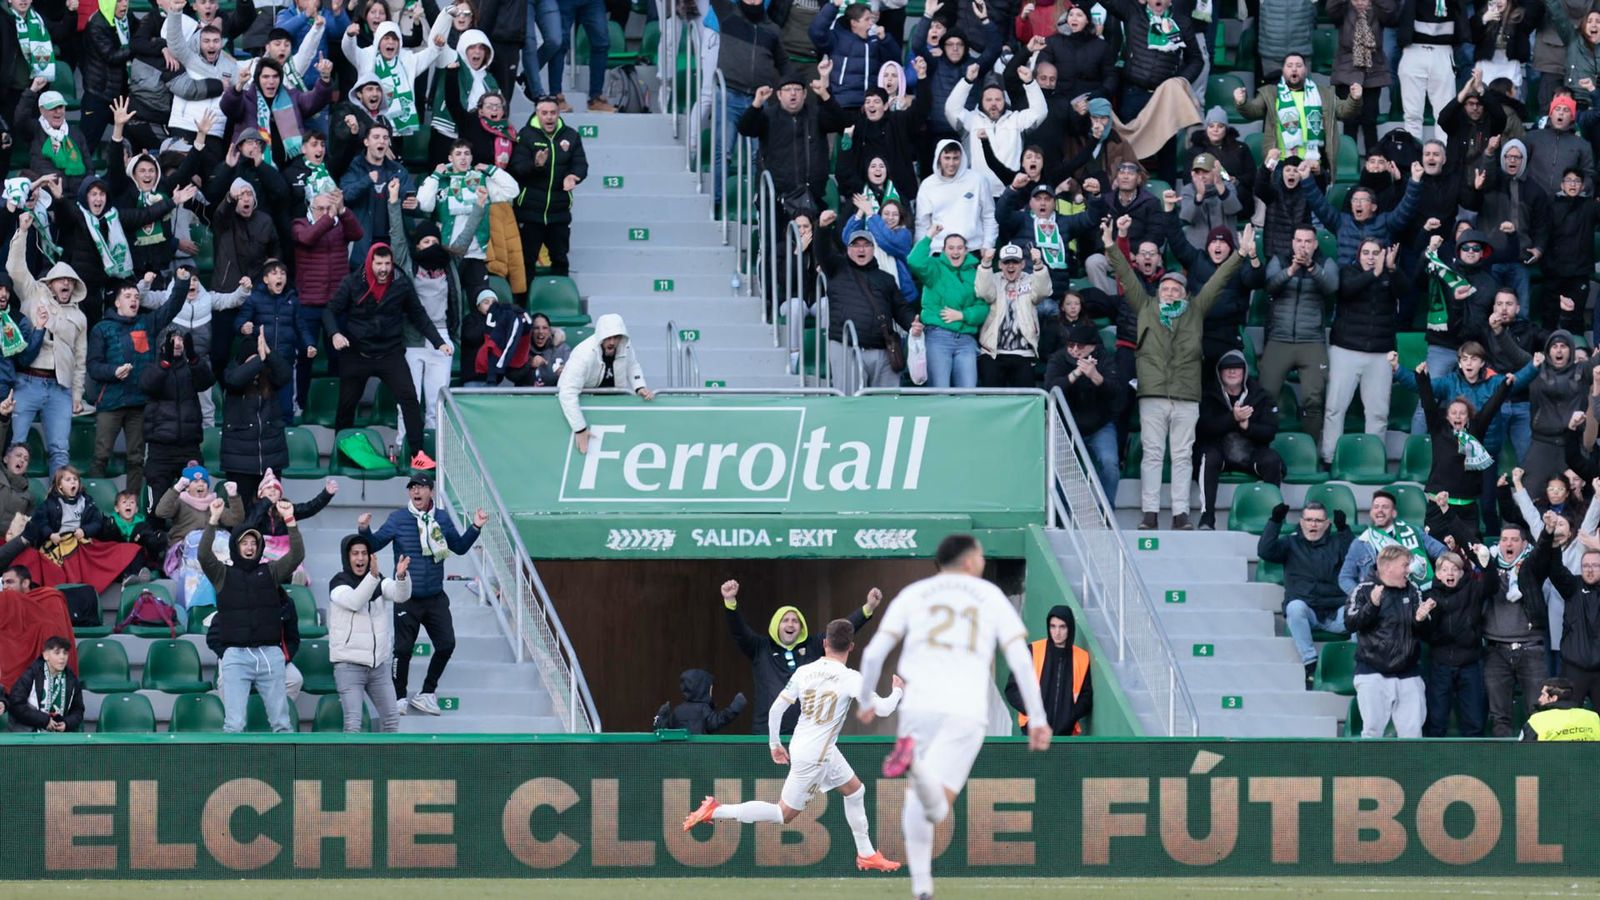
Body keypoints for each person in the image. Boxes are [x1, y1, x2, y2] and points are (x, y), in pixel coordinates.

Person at [855, 535, 1050, 900]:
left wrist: (866, 698)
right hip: (965, 708)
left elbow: (873, 653)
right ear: (970, 561)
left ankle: (922, 888)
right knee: (938, 805)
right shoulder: (989, 596)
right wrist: (1037, 717)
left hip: (918, 707)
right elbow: (1021, 659)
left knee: (916, 801)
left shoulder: (914, 594)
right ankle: (918, 770)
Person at [685, 618, 904, 874]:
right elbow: (885, 709)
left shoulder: (804, 671)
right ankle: (716, 810)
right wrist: (897, 691)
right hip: (816, 756)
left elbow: (777, 708)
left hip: (810, 745)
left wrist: (775, 743)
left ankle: (867, 854)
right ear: (851, 647)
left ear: (824, 643)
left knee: (855, 791)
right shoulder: (851, 678)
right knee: (783, 814)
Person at [1106, 217, 1247, 530]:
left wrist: (1241, 255)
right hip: (1153, 393)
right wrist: (1109, 245)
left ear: (1185, 294)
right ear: (1158, 292)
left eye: (1176, 289)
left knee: (1182, 457)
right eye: (1166, 288)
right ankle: (1150, 513)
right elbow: (1126, 276)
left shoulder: (1196, 310)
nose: (1170, 292)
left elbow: (1218, 281)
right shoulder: (1145, 307)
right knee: (1153, 455)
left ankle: (1181, 514)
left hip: (1186, 394)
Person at [358, 472, 487, 716]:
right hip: (406, 595)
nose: (415, 492)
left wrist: (475, 527)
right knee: (403, 650)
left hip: (435, 597)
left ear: (430, 491)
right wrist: (364, 529)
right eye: (412, 488)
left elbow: (458, 547)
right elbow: (374, 544)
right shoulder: (398, 518)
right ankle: (398, 698)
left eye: (420, 487)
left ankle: (427, 692)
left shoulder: (441, 518)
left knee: (447, 644)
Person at [324, 243, 451, 465]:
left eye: (387, 263)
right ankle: (341, 450)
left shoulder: (401, 283)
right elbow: (329, 311)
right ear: (370, 262)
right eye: (379, 263)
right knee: (346, 405)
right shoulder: (353, 282)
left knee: (410, 399)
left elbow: (419, 315)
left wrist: (439, 342)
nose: (383, 268)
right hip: (357, 353)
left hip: (390, 354)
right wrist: (335, 334)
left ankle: (417, 454)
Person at [720, 578, 880, 735]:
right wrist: (730, 601)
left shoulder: (814, 645)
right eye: (785, 620)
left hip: (806, 734)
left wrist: (868, 608)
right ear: (776, 624)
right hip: (767, 733)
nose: (790, 624)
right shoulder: (760, 648)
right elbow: (739, 632)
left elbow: (839, 631)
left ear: (801, 626)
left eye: (795, 621)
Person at [199, 494, 304, 734]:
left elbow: (296, 555)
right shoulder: (222, 574)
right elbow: (204, 556)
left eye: (253, 543)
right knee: (234, 724)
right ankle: (232, 769)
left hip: (270, 655)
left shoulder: (271, 571)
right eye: (244, 543)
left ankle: (284, 769)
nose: (249, 547)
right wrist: (213, 520)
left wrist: (290, 521)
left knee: (282, 724)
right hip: (236, 655)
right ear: (236, 547)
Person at [85, 276, 191, 501]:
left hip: (140, 404)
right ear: (117, 302)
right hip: (111, 403)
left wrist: (181, 283)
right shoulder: (102, 328)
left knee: (136, 458)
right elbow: (93, 366)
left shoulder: (147, 323)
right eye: (128, 296)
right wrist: (113, 371)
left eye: (136, 296)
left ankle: (131, 507)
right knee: (100, 456)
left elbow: (172, 307)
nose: (133, 300)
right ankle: (92, 504)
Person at [8, 212, 86, 476]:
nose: (65, 283)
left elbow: (80, 359)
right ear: (50, 282)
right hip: (27, 382)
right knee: (15, 445)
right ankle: (7, 503)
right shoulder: (33, 294)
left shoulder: (79, 316)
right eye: (61, 279)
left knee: (60, 450)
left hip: (59, 389)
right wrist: (23, 231)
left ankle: (59, 506)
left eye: (70, 280)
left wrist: (77, 395)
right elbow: (16, 268)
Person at [1325, 240, 1409, 463]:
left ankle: (1374, 460)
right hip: (1345, 349)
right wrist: (1374, 274)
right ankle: (1329, 457)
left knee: (1378, 413)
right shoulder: (1348, 272)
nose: (1370, 257)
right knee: (1335, 408)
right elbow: (1347, 290)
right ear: (1358, 254)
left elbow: (1406, 292)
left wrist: (1392, 269)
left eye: (1375, 253)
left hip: (1380, 354)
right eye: (1366, 253)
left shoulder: (1389, 275)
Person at [1261, 501, 1355, 684]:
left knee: (1363, 610)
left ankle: (1353, 661)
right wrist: (1275, 521)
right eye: (1309, 520)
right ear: (1302, 522)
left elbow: (1354, 557)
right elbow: (1265, 551)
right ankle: (1310, 664)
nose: (1313, 524)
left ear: (1327, 523)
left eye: (1319, 521)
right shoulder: (1290, 542)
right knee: (1295, 608)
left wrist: (1344, 530)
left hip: (1337, 612)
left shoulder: (1337, 541)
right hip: (1308, 613)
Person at [327, 533, 410, 733]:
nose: (360, 558)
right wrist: (372, 577)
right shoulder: (338, 584)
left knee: (391, 720)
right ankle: (349, 765)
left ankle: (387, 764)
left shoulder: (378, 581)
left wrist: (401, 577)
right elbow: (355, 601)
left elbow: (401, 595)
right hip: (348, 666)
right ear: (347, 557)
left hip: (378, 667)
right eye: (355, 553)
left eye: (364, 553)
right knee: (353, 723)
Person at [1348, 544, 1432, 737]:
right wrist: (1373, 605)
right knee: (1372, 732)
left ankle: (1411, 769)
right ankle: (1369, 768)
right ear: (1388, 567)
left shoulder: (1414, 591)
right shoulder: (1363, 590)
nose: (1409, 570)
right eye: (1405, 565)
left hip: (1408, 673)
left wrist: (1421, 620)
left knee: (1413, 733)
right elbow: (1351, 623)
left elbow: (1427, 633)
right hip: (1372, 673)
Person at [1195, 351, 1285, 531]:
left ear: (1244, 372)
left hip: (1250, 453)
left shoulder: (1261, 395)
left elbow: (1270, 431)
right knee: (1207, 457)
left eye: (1237, 368)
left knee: (1272, 460)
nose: (1232, 372)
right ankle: (1207, 517)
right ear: (1219, 373)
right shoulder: (1208, 395)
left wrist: (1247, 426)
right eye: (1226, 368)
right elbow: (1203, 428)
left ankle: (1271, 517)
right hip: (1219, 451)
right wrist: (1232, 418)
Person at [1235, 53, 1363, 178]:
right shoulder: (1271, 93)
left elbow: (1344, 111)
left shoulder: (1323, 93)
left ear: (1306, 70)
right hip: (1282, 163)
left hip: (1313, 163)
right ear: (1283, 70)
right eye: (1289, 65)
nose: (1294, 69)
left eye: (1299, 65)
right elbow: (1253, 111)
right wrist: (1242, 103)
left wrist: (1354, 99)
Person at [1481, 523, 1555, 736]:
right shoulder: (1489, 568)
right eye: (1504, 539)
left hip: (1531, 648)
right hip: (1495, 650)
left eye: (1514, 539)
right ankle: (1503, 766)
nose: (1508, 543)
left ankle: (1534, 764)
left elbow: (1542, 552)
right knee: (1499, 716)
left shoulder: (1533, 568)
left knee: (1538, 713)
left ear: (1524, 544)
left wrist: (1548, 532)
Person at [1044, 323, 1123, 501]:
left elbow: (1115, 391)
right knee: (1056, 466)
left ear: (1092, 346)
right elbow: (1051, 389)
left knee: (1110, 464)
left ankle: (1106, 514)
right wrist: (1076, 373)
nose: (1074, 349)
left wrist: (1095, 375)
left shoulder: (1103, 358)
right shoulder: (1058, 358)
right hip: (1065, 425)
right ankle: (1059, 518)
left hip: (1099, 425)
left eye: (1080, 346)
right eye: (1071, 345)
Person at [1416, 549, 1491, 736]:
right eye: (1445, 569)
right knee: (1437, 720)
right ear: (1438, 574)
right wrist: (1421, 619)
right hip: (1440, 664)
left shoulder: (1473, 589)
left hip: (1470, 663)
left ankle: (1474, 763)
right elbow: (1425, 635)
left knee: (1474, 720)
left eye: (1454, 569)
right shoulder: (1429, 596)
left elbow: (1493, 585)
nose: (1450, 573)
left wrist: (1485, 562)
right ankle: (1435, 763)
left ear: (1461, 572)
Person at [509, 97, 586, 279]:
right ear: (537, 114)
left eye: (553, 113)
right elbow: (517, 168)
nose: (549, 117)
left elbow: (581, 164)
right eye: (544, 113)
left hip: (558, 212)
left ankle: (560, 301)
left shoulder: (571, 136)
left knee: (560, 259)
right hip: (529, 212)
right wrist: (536, 164)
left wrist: (573, 176)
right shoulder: (526, 135)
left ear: (558, 114)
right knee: (526, 261)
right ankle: (522, 304)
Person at [557, 313, 653, 455]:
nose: (612, 342)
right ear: (601, 337)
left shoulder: (625, 346)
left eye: (616, 337)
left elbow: (633, 366)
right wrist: (580, 429)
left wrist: (639, 387)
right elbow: (567, 393)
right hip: (584, 406)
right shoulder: (583, 355)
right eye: (608, 337)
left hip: (612, 404)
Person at [140, 329, 215, 506]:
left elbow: (207, 381)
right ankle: (155, 534)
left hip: (189, 447)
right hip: (160, 448)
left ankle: (192, 533)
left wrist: (195, 359)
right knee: (157, 503)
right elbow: (147, 385)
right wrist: (165, 363)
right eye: (173, 340)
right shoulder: (153, 366)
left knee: (196, 501)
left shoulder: (192, 367)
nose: (178, 343)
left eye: (181, 339)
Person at [907, 228, 985, 388]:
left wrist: (963, 315)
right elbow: (914, 260)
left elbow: (983, 307)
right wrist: (929, 236)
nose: (955, 252)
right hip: (938, 337)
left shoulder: (975, 272)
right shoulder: (934, 267)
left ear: (966, 250)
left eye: (959, 248)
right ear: (943, 250)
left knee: (968, 393)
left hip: (966, 340)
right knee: (939, 391)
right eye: (951, 248)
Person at [1002, 604, 1091, 736]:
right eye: (1053, 626)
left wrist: (1070, 717)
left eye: (1062, 627)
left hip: (1065, 735)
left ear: (1070, 628)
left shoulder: (1082, 658)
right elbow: (1012, 688)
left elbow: (1086, 697)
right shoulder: (1033, 651)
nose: (1057, 632)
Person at [1339, 490, 1451, 593]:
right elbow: (1345, 578)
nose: (1380, 510)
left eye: (1385, 507)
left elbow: (1442, 552)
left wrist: (1441, 574)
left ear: (1394, 513)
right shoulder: (1361, 542)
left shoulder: (1414, 531)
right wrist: (1364, 596)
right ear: (1371, 512)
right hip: (1381, 603)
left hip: (1422, 594)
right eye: (1376, 507)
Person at [1536, 533, 1600, 710]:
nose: (1589, 569)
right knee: (1567, 719)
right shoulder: (1573, 586)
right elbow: (1556, 570)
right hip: (1574, 670)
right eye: (1585, 565)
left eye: (1595, 565)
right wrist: (1554, 546)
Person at [974, 244, 1050, 387]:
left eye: (1015, 262)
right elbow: (984, 293)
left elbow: (1042, 292)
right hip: (993, 352)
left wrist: (1039, 265)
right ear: (999, 264)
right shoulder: (993, 279)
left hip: (1024, 353)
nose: (1010, 266)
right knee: (992, 398)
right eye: (1006, 262)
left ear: (1022, 264)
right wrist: (985, 264)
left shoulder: (1030, 279)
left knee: (1025, 399)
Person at [7, 635, 81, 732]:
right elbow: (16, 705)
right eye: (57, 653)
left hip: (59, 736)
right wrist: (44, 720)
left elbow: (78, 710)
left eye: (65, 653)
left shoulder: (71, 679)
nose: (62, 657)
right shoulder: (31, 674)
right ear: (45, 655)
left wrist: (67, 723)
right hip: (30, 734)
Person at [652, 669, 748, 734]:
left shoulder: (677, 711)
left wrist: (660, 717)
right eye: (710, 689)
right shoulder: (703, 709)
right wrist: (735, 707)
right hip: (700, 757)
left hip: (679, 757)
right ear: (703, 690)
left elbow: (663, 731)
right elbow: (718, 721)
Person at [1520, 676, 1600, 740]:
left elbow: (1523, 753)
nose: (1539, 699)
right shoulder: (1593, 717)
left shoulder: (1536, 721)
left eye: (1543, 695)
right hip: (1588, 760)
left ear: (1554, 698)